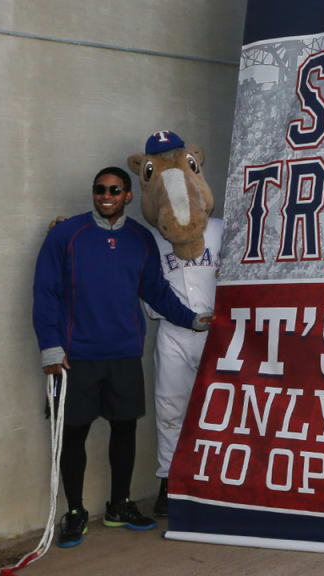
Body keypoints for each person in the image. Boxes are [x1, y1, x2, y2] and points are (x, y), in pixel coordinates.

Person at [33, 166, 212, 548]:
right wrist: (50, 347)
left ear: (128, 195)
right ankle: (76, 511)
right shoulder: (67, 235)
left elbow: (157, 292)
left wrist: (193, 320)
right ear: (94, 193)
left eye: (115, 189)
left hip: (124, 354)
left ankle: (119, 505)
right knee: (73, 433)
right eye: (100, 189)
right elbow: (45, 292)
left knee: (125, 429)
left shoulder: (141, 239)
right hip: (75, 356)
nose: (106, 195)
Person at [146, 209, 221, 516]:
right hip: (173, 330)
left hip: (218, 332)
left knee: (217, 410)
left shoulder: (219, 228)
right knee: (169, 409)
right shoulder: (152, 235)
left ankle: (216, 482)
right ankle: (170, 481)